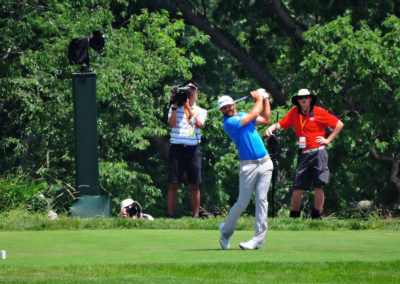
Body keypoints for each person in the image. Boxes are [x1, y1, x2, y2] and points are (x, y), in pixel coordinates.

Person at [265, 89, 343, 219]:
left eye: (306, 97)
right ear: (298, 101)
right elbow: (282, 124)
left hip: (319, 152)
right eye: (301, 98)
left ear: (310, 99)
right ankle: (294, 217)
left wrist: (328, 140)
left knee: (319, 185)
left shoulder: (319, 111)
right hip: (303, 153)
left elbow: (339, 124)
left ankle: (316, 217)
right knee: (298, 185)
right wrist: (271, 128)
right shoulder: (294, 112)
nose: (303, 99)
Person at [218, 89, 273, 250]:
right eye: (224, 107)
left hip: (265, 162)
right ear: (221, 110)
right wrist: (258, 98)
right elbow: (254, 112)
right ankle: (225, 231)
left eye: (229, 105)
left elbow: (266, 118)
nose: (227, 108)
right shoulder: (229, 124)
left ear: (233, 104)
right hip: (248, 165)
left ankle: (258, 239)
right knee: (242, 202)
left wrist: (266, 98)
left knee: (262, 200)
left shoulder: (241, 114)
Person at [167, 80, 207, 218]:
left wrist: (188, 107)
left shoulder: (201, 110)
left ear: (196, 93)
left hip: (193, 149)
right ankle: (170, 215)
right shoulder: (174, 108)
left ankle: (196, 216)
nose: (190, 94)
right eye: (187, 91)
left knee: (194, 184)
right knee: (173, 183)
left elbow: (199, 124)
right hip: (177, 147)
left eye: (192, 91)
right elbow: (171, 124)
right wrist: (174, 106)